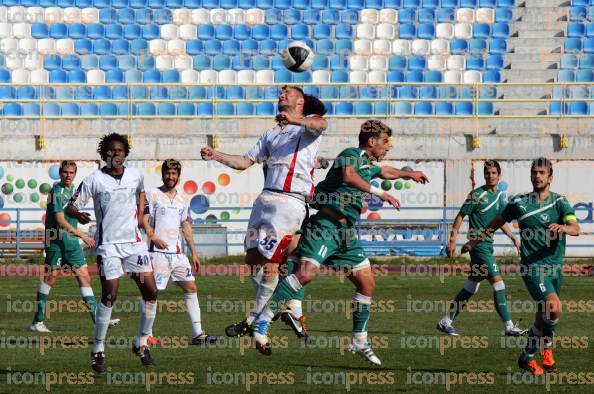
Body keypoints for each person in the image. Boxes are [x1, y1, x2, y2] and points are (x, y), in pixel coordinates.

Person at [254, 120, 429, 363]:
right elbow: (348, 176)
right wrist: (382, 193)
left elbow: (386, 170)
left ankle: (359, 340)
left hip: (346, 234)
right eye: (385, 142)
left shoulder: (366, 163)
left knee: (366, 285)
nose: (388, 147)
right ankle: (262, 322)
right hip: (326, 225)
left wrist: (409, 174)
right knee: (306, 274)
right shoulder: (350, 155)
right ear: (371, 142)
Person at [200, 86, 327, 350]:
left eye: (287, 92)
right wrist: (216, 156)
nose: (281, 95)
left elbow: (321, 123)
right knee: (253, 260)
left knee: (271, 263)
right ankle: (286, 305)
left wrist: (294, 120)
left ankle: (259, 323)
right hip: (265, 199)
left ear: (300, 101)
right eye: (280, 92)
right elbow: (246, 162)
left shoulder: (306, 130)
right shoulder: (270, 133)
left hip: (288, 202)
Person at [462, 158, 580, 375]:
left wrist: (564, 227)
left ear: (550, 178)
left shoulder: (560, 202)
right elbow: (495, 222)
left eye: (542, 173)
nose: (537, 176)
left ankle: (526, 357)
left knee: (543, 316)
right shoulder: (519, 203)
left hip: (555, 268)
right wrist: (474, 241)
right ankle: (548, 351)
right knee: (554, 307)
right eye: (534, 172)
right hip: (532, 268)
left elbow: (576, 227)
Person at [66, 133, 158, 372]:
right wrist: (77, 214)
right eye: (111, 151)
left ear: (125, 153)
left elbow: (142, 200)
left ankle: (142, 342)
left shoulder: (136, 175)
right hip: (108, 245)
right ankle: (97, 350)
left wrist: (144, 221)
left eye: (120, 150)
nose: (116, 154)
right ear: (104, 154)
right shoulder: (94, 180)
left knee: (151, 291)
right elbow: (72, 205)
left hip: (134, 244)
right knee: (110, 294)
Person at [436, 160, 525, 337]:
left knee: (471, 286)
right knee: (498, 283)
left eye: (493, 173)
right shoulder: (476, 195)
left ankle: (445, 322)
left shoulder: (501, 196)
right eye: (487, 173)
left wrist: (514, 238)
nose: (490, 176)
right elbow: (461, 215)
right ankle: (508, 326)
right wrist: (452, 240)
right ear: (484, 175)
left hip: (486, 245)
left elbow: (500, 221)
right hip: (478, 245)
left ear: (499, 175)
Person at [30, 160, 119, 332]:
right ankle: (37, 322)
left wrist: (79, 222)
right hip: (55, 242)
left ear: (75, 174)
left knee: (85, 278)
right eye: (65, 172)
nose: (68, 175)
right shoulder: (56, 191)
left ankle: (98, 320)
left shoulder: (74, 192)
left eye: (71, 173)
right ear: (60, 173)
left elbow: (70, 217)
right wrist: (82, 235)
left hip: (71, 243)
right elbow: (60, 220)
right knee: (50, 279)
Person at [143, 159, 218, 345]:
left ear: (178, 176)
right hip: (156, 254)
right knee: (151, 293)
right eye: (168, 173)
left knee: (191, 287)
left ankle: (198, 334)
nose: (171, 177)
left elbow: (186, 226)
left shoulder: (182, 199)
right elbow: (142, 220)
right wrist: (153, 237)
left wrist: (194, 253)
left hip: (177, 255)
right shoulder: (152, 194)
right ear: (163, 174)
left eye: (174, 174)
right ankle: (147, 334)